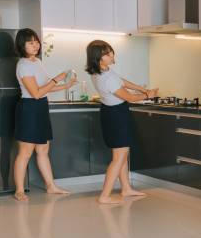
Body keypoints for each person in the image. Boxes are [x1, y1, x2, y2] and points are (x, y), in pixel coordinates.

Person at [86, 40, 158, 204]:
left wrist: (142, 88)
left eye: (111, 51)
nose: (111, 55)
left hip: (112, 113)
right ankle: (104, 195)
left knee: (122, 155)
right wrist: (148, 95)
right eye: (107, 53)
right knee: (119, 157)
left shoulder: (103, 72)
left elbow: (122, 81)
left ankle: (125, 189)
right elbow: (130, 97)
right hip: (116, 116)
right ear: (98, 58)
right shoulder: (106, 78)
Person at [12, 28, 76, 202]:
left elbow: (46, 87)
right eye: (31, 42)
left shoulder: (38, 62)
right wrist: (57, 78)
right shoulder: (23, 65)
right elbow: (36, 93)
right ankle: (19, 190)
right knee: (25, 153)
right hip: (29, 108)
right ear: (22, 45)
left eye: (36, 41)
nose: (36, 45)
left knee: (43, 149)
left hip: (41, 107)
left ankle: (51, 186)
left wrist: (66, 84)